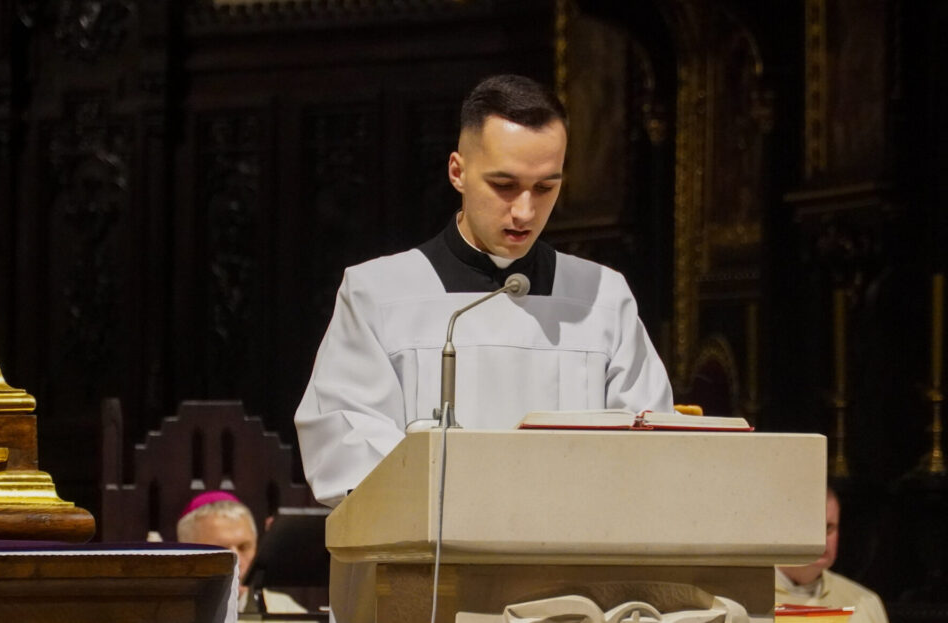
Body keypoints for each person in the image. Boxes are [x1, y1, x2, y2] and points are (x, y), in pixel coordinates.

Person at [295, 74, 675, 508]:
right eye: (504, 185)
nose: (524, 211)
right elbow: (349, 444)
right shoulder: (378, 295)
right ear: (457, 171)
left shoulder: (603, 298)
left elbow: (650, 444)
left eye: (546, 188)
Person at [176, 491, 307, 615]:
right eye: (221, 550)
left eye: (244, 547)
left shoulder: (285, 611)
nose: (236, 561)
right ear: (187, 556)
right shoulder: (164, 613)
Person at [776, 488, 889, 623]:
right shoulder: (748, 601)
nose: (822, 539)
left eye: (829, 528)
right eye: (813, 527)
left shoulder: (865, 603)